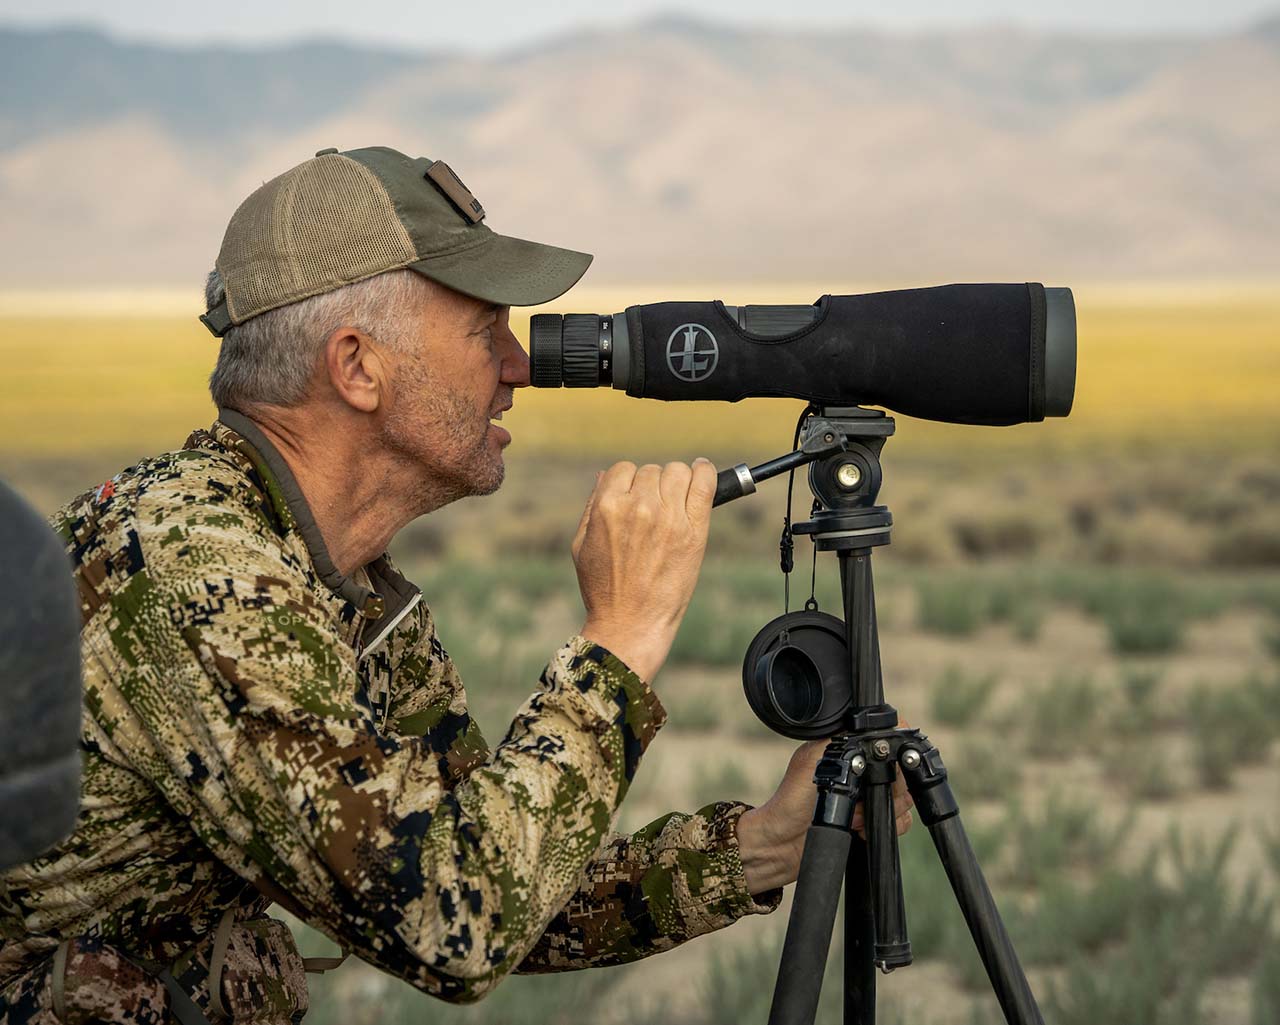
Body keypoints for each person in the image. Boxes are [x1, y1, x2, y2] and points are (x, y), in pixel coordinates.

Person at [0, 146, 912, 1024]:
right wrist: (621, 636)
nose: (518, 367)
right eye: (484, 332)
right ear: (357, 367)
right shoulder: (198, 575)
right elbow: (453, 921)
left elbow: (496, 865)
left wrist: (754, 849)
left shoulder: (340, 582)